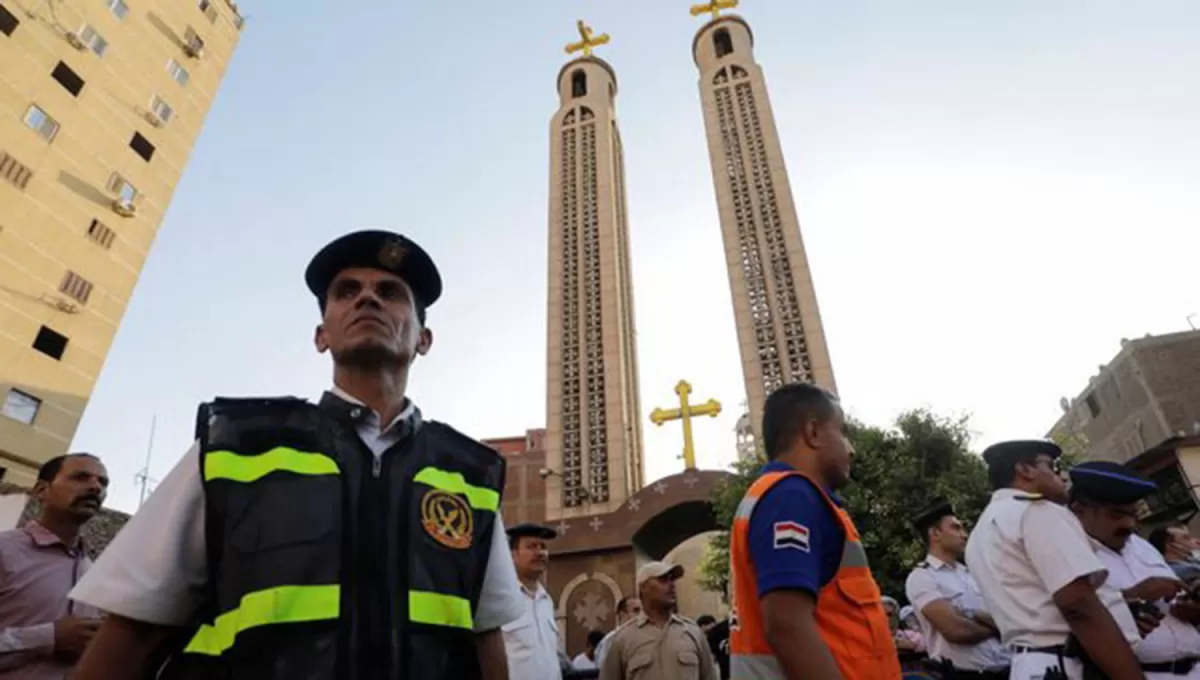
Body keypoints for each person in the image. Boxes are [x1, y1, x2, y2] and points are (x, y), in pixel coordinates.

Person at [69, 230, 526, 680]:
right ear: (321, 335)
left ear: (424, 339)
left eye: (390, 292)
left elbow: (485, 640)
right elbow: (134, 633)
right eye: (347, 291)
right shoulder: (235, 445)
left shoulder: (470, 475)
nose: (368, 299)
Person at [728, 383, 901, 680]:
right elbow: (786, 625)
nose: (851, 448)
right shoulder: (790, 497)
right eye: (843, 432)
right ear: (814, 432)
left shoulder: (794, 497)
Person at [964, 440, 1144, 680]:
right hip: (1069, 664)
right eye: (1052, 466)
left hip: (1032, 664)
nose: (1063, 475)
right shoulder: (1035, 511)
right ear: (1025, 470)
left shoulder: (980, 533)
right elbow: (1078, 604)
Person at [1068, 461, 1200, 678]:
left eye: (1134, 514)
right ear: (1079, 510)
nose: (1129, 524)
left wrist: (1190, 608)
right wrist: (1134, 595)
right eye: (1116, 514)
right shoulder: (1067, 552)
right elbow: (1069, 618)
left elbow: (1172, 602)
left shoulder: (1140, 545)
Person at [0, 454, 107, 679]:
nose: (95, 487)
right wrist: (49, 637)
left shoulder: (92, 571)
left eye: (102, 482)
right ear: (41, 491)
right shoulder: (5, 551)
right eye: (81, 477)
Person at [904, 499, 1010, 679]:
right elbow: (957, 631)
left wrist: (978, 618)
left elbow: (1006, 615)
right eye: (955, 528)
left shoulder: (974, 574)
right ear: (935, 534)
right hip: (964, 675)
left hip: (1007, 670)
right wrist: (999, 628)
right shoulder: (923, 577)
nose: (964, 534)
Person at [598, 562, 716, 680]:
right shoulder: (622, 639)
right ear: (643, 587)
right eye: (663, 579)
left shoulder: (693, 633)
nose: (672, 585)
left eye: (672, 579)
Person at [503, 523, 561, 680]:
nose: (540, 552)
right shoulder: (501, 599)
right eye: (531, 546)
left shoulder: (546, 601)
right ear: (513, 554)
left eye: (543, 547)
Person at [594, 596, 643, 667]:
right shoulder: (611, 640)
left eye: (643, 611)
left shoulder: (645, 637)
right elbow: (604, 670)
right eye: (636, 610)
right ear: (622, 614)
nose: (641, 615)